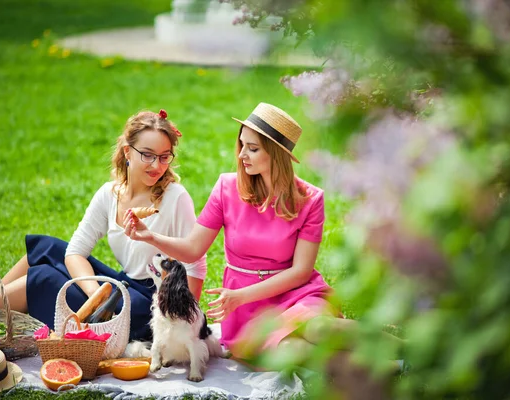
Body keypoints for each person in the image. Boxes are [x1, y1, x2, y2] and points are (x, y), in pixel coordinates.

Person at [0, 110, 206, 342]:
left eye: (164, 156)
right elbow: (75, 251)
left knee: (41, 278)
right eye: (147, 155)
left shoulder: (174, 197)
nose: (156, 165)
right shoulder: (110, 194)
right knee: (44, 248)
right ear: (127, 152)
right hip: (121, 287)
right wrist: (95, 294)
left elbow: (196, 263)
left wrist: (183, 324)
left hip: (152, 304)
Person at [124, 103, 350, 357]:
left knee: (319, 328)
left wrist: (239, 296)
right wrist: (150, 236)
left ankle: (401, 350)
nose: (242, 155)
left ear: (276, 154)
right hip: (247, 310)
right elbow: (192, 249)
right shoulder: (226, 188)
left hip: (295, 295)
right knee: (289, 350)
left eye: (253, 149)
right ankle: (385, 371)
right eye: (242, 145)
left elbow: (300, 272)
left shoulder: (310, 199)